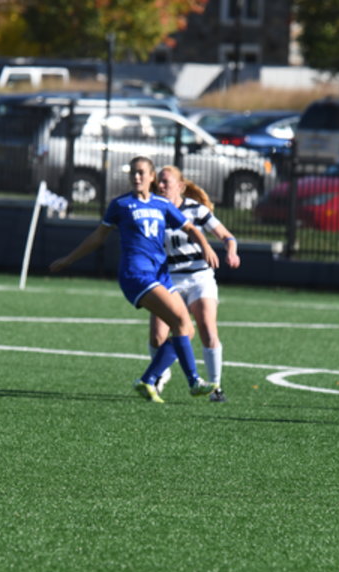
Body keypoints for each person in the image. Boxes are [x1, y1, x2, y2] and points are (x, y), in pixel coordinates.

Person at [49, 156, 219, 403]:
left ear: (151, 177)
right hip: (136, 274)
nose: (136, 177)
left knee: (187, 329)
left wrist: (206, 246)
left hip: (160, 274)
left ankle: (148, 379)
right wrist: (69, 259)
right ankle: (193, 381)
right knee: (181, 321)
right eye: (133, 173)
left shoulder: (161, 204)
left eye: (141, 173)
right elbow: (98, 237)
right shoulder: (121, 205)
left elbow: (191, 228)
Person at [149, 165, 241, 402]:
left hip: (199, 278)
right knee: (158, 336)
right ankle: (161, 374)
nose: (160, 186)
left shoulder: (196, 210)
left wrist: (231, 252)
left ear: (180, 186)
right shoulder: (152, 210)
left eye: (166, 182)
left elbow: (226, 236)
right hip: (168, 279)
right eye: (158, 182)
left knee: (207, 328)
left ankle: (215, 386)